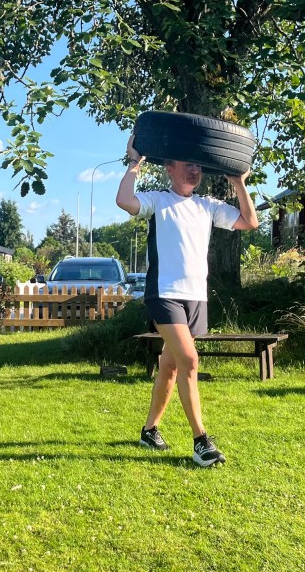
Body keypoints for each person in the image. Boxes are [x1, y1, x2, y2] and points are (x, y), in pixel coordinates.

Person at [116, 135, 259, 467]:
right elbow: (124, 200)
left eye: (198, 165)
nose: (194, 170)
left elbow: (250, 221)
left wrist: (238, 182)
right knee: (190, 361)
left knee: (169, 367)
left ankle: (149, 430)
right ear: (169, 167)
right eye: (187, 164)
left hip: (196, 298)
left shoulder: (207, 205)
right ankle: (200, 441)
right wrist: (135, 162)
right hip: (164, 294)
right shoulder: (158, 201)